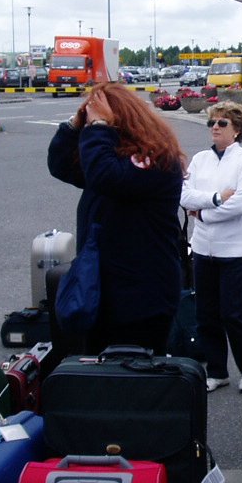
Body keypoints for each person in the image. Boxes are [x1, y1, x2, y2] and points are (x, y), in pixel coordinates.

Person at [48, 82, 185, 354]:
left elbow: (106, 176)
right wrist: (75, 126)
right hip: (105, 288)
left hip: (143, 293)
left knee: (136, 378)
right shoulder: (108, 157)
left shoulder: (155, 158)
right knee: (103, 381)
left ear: (120, 120)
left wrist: (99, 128)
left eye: (96, 117)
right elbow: (61, 165)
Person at [180, 101, 242, 393]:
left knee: (234, 315)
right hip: (203, 248)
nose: (215, 127)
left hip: (238, 250)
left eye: (222, 123)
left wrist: (202, 212)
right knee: (206, 314)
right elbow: (184, 194)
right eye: (212, 122)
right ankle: (217, 371)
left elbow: (241, 203)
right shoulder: (200, 159)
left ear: (237, 130)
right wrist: (214, 199)